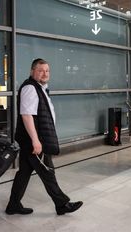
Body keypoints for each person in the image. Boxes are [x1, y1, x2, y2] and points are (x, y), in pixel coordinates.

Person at [6, 58, 83, 215]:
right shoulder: (30, 88)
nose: (44, 73)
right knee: (47, 172)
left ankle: (13, 205)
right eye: (40, 70)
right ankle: (62, 204)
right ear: (32, 71)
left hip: (32, 139)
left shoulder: (39, 88)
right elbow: (26, 115)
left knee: (24, 173)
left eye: (47, 71)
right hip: (33, 141)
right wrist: (35, 140)